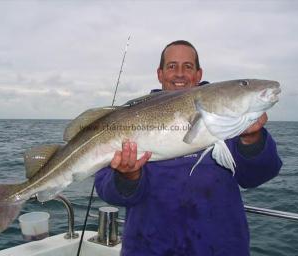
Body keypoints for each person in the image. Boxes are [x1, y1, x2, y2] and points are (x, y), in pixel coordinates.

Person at [95, 40, 282, 256]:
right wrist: (127, 177)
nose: (180, 73)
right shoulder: (130, 118)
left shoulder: (227, 120)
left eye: (188, 66)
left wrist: (252, 139)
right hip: (148, 247)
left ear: (198, 73)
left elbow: (257, 176)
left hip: (220, 248)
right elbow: (108, 191)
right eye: (172, 66)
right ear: (160, 73)